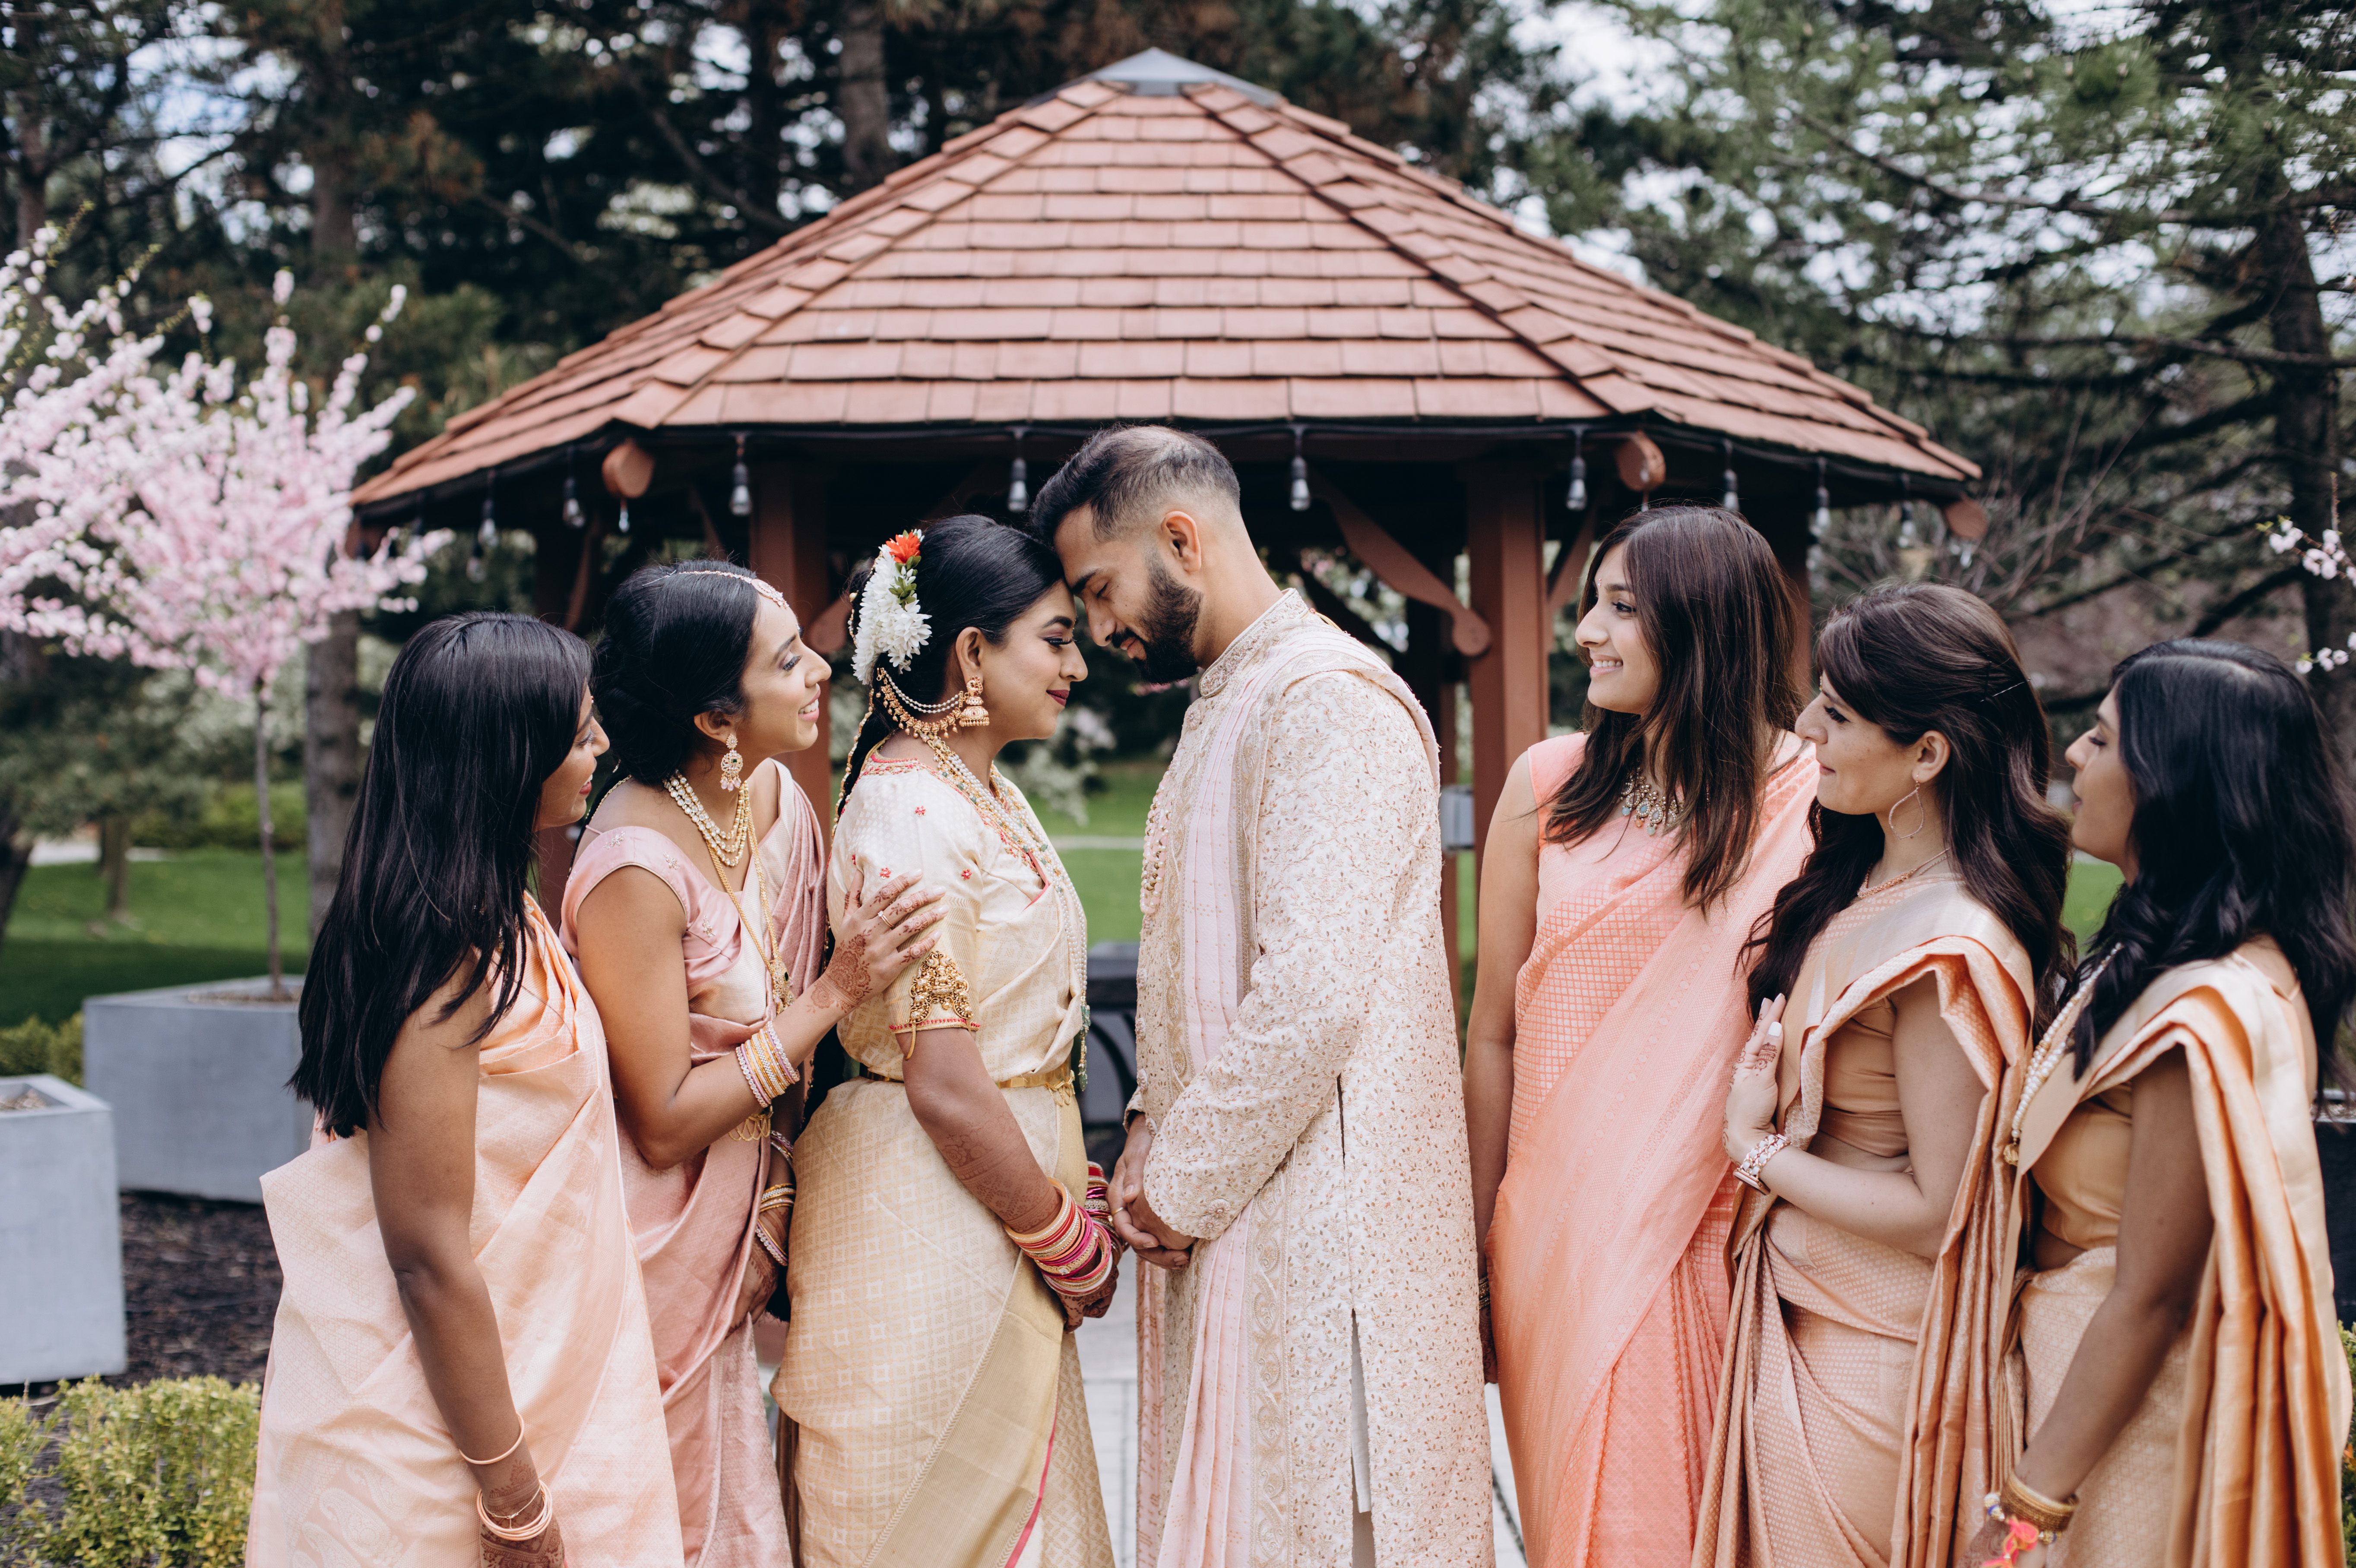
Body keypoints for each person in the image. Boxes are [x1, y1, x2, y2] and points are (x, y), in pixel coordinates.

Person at [1036, 427, 1492, 1568]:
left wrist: (1177, 1182)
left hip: (1325, 1233)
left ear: (1180, 538)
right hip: (1250, 1201)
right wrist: (1147, 1127)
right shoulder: (1237, 697)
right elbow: (1193, 978)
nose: (1098, 626)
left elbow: (1311, 995)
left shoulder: (1327, 702)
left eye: (1100, 588)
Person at [250, 612, 681, 1567]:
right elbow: (428, 1254)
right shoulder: (438, 956)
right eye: (577, 731)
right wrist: (513, 1498)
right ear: (503, 754)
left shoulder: (500, 911)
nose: (601, 744)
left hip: (535, 1387)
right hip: (446, 1449)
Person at [564, 560, 945, 1566]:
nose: (820, 669)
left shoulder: (774, 797)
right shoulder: (633, 868)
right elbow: (661, 1120)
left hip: (754, 1217)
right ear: (715, 719)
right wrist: (836, 992)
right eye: (786, 661)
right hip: (657, 1247)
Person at [1463, 504, 1816, 1568]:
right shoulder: (1545, 788)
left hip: (1712, 1228)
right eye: (1590, 605)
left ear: (1703, 623)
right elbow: (1492, 1035)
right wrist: (1472, 1247)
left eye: (1621, 608)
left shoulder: (1811, 802)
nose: (1586, 632)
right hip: (1553, 1235)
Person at [1696, 582, 2075, 1568]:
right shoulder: (1863, 881)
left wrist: (1752, 1149)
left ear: (1927, 754)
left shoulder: (1949, 941)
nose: (1805, 727)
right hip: (1802, 1314)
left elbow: (1937, 1207)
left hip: (1869, 1359)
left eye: (1838, 713)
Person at [1964, 641, 2354, 1568]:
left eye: (2101, 740)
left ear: (2175, 781)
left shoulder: (2206, 1010)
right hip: (2080, 1390)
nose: (2073, 755)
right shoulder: (2181, 952)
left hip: (2125, 1430)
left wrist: (2023, 1514)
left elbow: (2151, 1293)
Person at [776, 515, 1118, 1568]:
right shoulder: (912, 815)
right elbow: (945, 1081)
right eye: (1054, 639)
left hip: (980, 1200)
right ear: (971, 652)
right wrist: (1066, 1240)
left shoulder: (974, 788)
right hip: (929, 1217)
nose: (1076, 665)